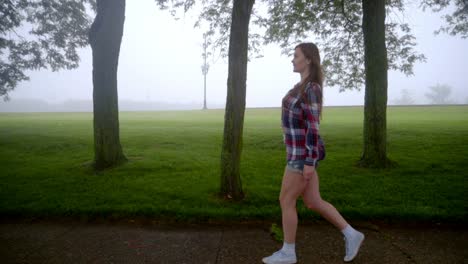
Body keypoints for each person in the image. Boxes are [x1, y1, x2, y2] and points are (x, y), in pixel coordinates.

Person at [262, 43, 365, 264]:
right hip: (296, 153)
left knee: (285, 200)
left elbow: (313, 127)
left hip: (302, 157)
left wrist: (309, 161)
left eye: (296, 55)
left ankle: (288, 252)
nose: (292, 59)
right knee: (313, 201)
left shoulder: (311, 89)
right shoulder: (301, 87)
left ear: (308, 59)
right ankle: (352, 234)